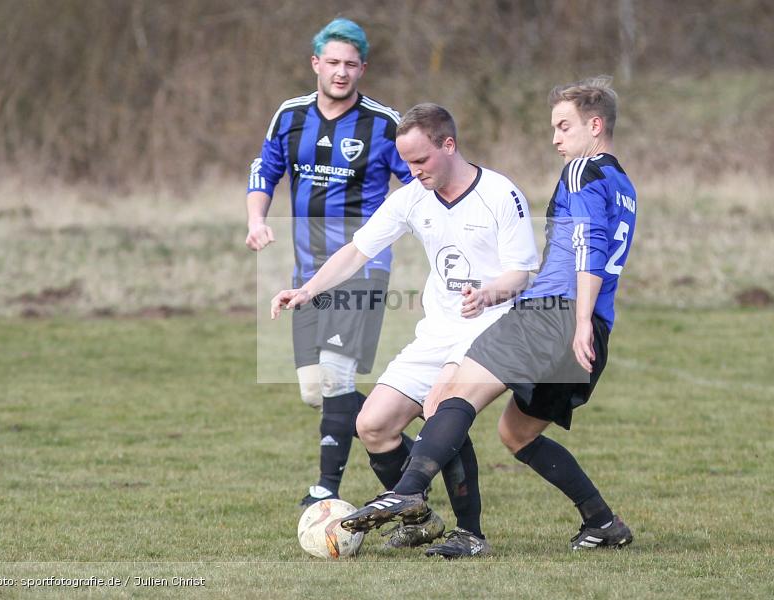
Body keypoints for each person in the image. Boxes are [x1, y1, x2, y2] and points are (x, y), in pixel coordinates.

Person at [340, 76, 638, 552]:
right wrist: (589, 325)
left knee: (452, 395)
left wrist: (577, 319)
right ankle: (602, 521)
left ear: (595, 125)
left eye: (564, 126)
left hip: (553, 314)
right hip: (594, 330)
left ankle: (414, 497)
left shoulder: (583, 171)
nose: (555, 138)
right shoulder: (624, 184)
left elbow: (589, 245)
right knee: (516, 434)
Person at [272, 103, 539, 557]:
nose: (412, 171)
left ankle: (470, 534)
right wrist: (307, 291)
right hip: (437, 331)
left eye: (421, 161)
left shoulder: (499, 193)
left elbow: (523, 273)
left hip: (492, 326)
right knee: (373, 425)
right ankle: (419, 517)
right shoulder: (412, 197)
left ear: (448, 145)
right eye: (407, 162)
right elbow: (356, 251)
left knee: (440, 410)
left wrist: (488, 293)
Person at [245, 18, 413, 507]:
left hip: (364, 268)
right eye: (332, 63)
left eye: (351, 65)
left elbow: (422, 182)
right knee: (315, 390)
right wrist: (257, 219)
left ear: (363, 68)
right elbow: (265, 168)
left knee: (338, 377)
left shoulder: (384, 123)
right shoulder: (291, 115)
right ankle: (421, 439)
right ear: (316, 64)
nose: (341, 73)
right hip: (307, 276)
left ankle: (325, 490)